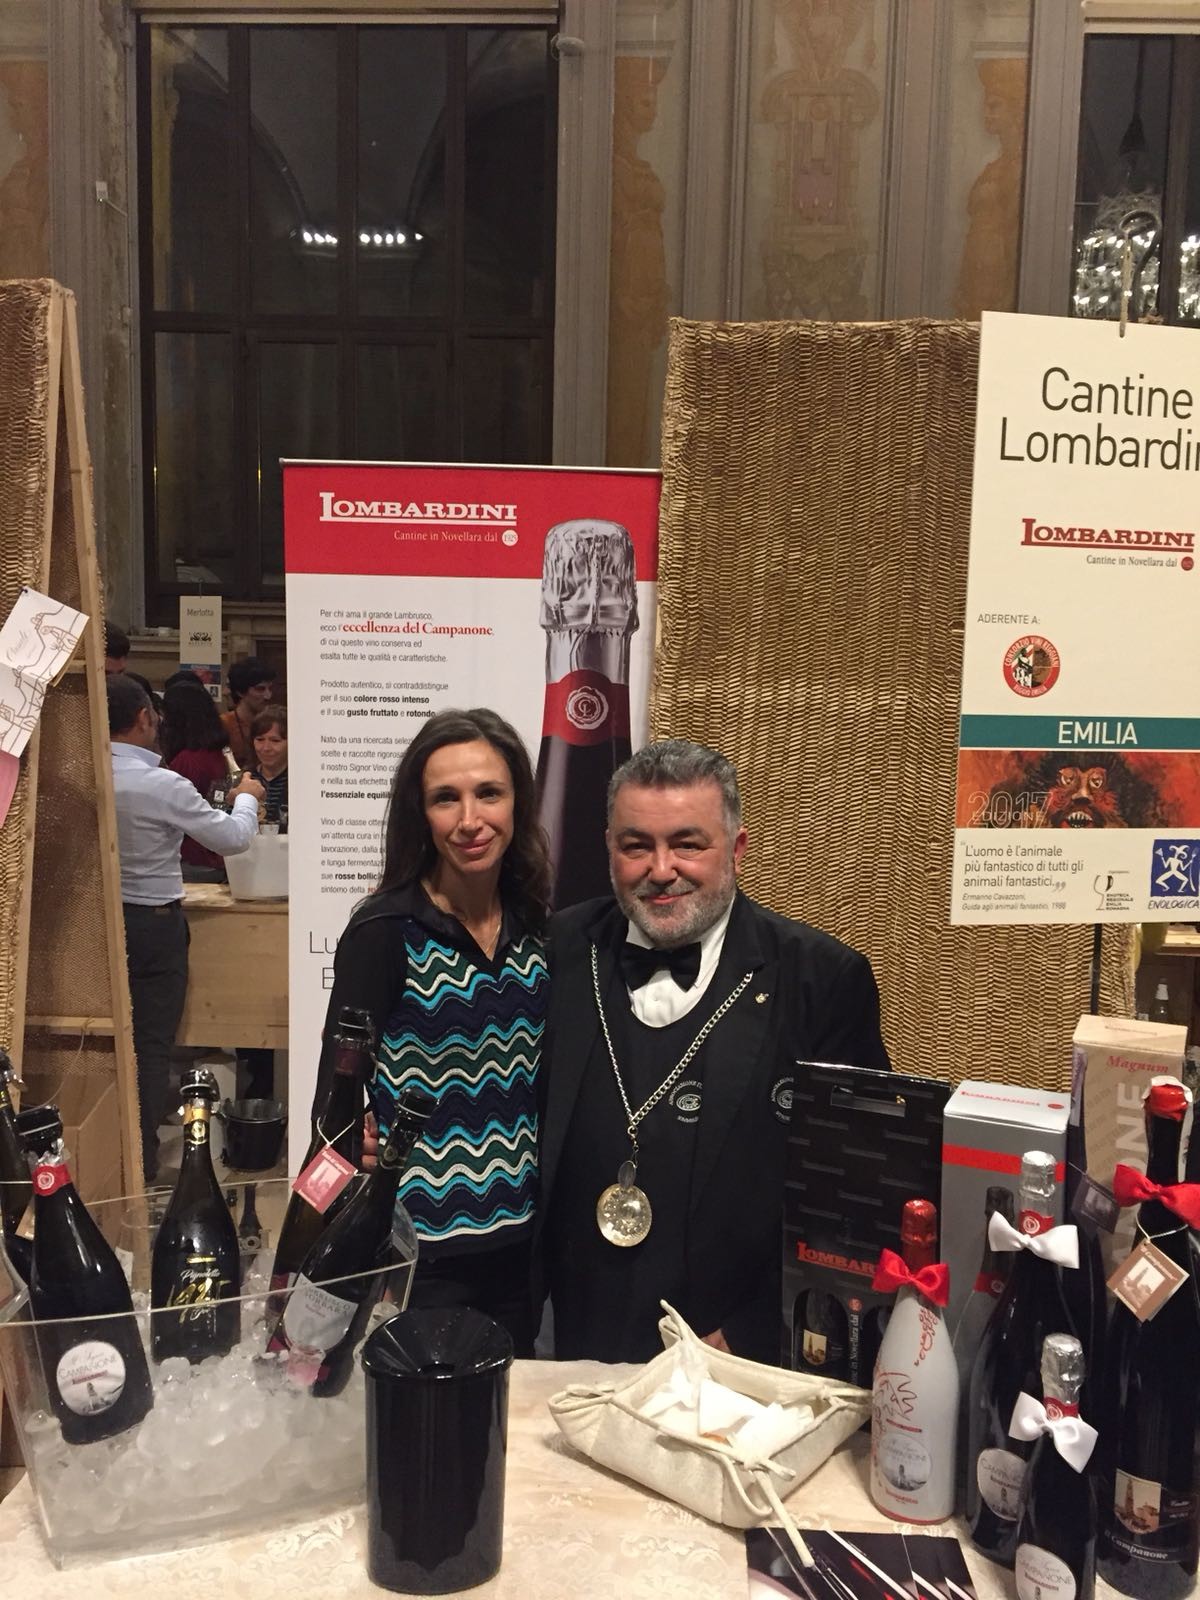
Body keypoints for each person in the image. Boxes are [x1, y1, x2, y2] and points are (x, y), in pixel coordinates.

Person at [535, 738, 890, 1365]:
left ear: (737, 848)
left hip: (730, 1361)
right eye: (636, 845)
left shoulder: (822, 980)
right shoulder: (556, 948)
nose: (661, 869)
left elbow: (855, 1191)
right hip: (568, 1340)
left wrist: (755, 1331)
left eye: (688, 844)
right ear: (609, 848)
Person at [313, 708, 550, 1353]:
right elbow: (334, 1096)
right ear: (421, 814)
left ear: (518, 804)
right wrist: (350, 1156)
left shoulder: (537, 926)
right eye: (446, 798)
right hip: (416, 1252)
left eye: (489, 793)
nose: (470, 820)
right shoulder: (385, 933)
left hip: (522, 1247)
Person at [108, 673, 265, 1178]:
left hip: (98, 927)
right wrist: (247, 797)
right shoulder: (160, 784)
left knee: (102, 1042)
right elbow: (233, 838)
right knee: (151, 1044)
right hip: (153, 926)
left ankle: (106, 1153)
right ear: (144, 718)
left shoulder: (83, 776)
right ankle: (140, 1158)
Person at [160, 680, 232, 880]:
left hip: (193, 856)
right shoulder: (217, 753)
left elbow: (172, 810)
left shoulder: (187, 761)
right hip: (213, 851)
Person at [221, 656, 275, 769]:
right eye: (260, 689)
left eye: (270, 689)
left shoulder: (275, 723)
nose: (268, 696)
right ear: (241, 691)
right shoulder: (223, 725)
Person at [248, 705, 288, 821]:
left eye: (275, 741)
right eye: (260, 740)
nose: (266, 748)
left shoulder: (302, 783)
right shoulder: (244, 780)